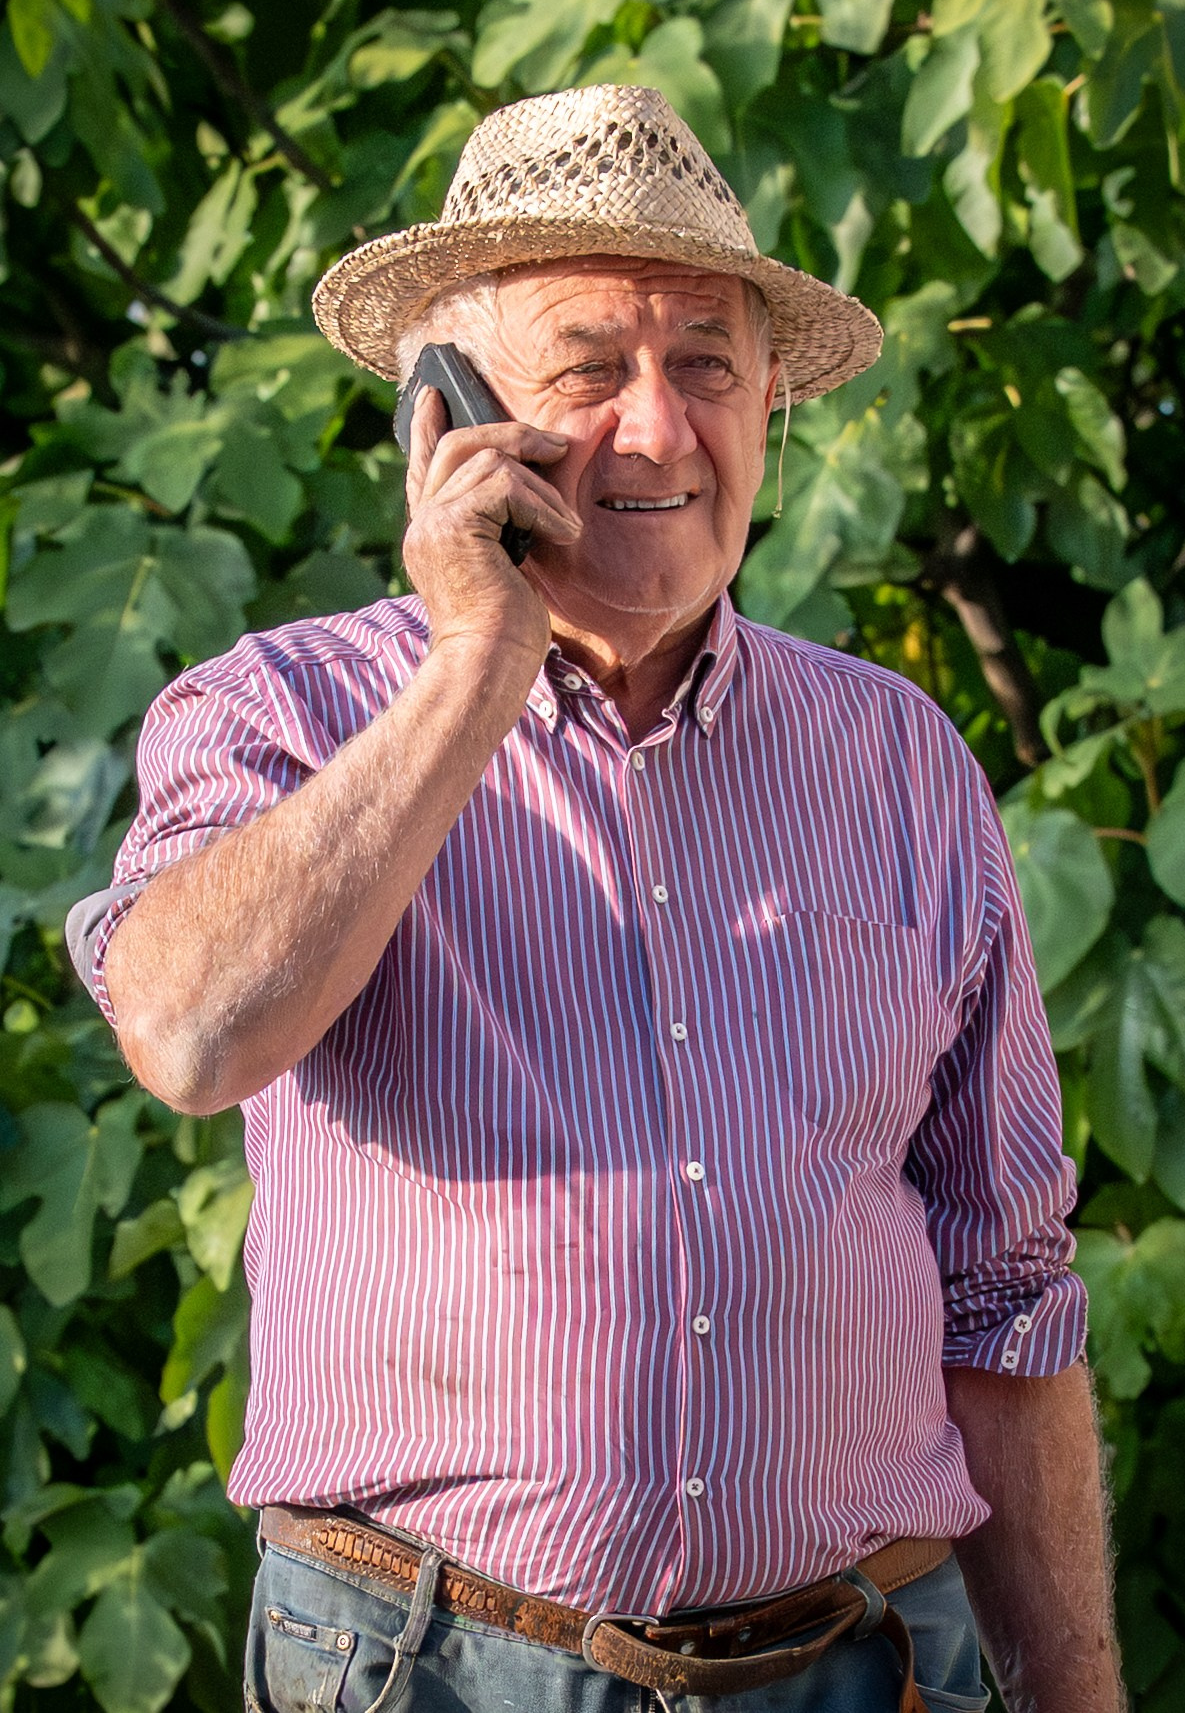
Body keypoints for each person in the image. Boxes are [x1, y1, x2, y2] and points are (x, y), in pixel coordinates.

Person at [68, 86, 1124, 1713]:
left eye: (705, 362)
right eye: (585, 366)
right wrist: (471, 667)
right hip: (429, 1668)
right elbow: (195, 1034)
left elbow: (1002, 1289)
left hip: (868, 1665)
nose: (654, 424)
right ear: (449, 413)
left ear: (769, 397)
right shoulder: (279, 715)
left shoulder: (897, 756)